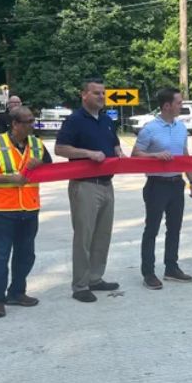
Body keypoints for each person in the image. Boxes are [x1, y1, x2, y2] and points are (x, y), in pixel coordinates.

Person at [0, 106, 51, 318]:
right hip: (3, 210)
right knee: (0, 255)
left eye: (32, 121)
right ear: (15, 124)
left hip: (29, 209)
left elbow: (49, 170)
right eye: (27, 122)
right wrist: (10, 178)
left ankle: (17, 292)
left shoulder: (37, 144)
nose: (31, 125)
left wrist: (40, 166)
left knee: (26, 255)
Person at [55, 79, 124, 303]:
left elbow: (114, 144)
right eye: (96, 93)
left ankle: (95, 277)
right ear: (83, 95)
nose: (101, 97)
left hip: (106, 184)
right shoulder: (74, 120)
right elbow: (60, 148)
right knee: (84, 236)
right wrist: (88, 153)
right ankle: (80, 285)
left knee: (103, 234)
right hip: (84, 185)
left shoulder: (106, 120)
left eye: (103, 93)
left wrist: (119, 152)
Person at [132, 87, 192, 289]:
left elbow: (184, 154)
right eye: (179, 103)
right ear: (167, 105)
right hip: (156, 185)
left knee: (175, 228)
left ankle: (171, 267)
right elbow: (135, 154)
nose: (181, 106)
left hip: (177, 184)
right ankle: (149, 273)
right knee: (152, 229)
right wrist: (154, 155)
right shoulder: (150, 129)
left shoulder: (180, 128)